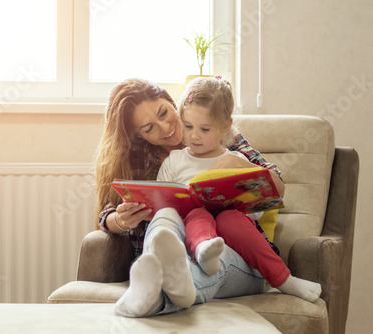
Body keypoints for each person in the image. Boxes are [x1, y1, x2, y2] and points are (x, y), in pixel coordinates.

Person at [94, 78, 312, 318]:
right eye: (149, 128)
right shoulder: (146, 160)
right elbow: (107, 214)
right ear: (139, 136)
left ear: (171, 102)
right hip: (178, 249)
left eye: (164, 113)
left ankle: (151, 296)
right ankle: (161, 270)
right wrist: (121, 220)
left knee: (214, 259)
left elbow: (274, 187)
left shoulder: (218, 131)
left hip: (230, 251)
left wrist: (241, 164)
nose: (165, 127)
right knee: (166, 215)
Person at [156, 77, 321, 302]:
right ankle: (204, 249)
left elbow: (257, 209)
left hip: (234, 236)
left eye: (205, 129)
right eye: (188, 126)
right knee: (197, 214)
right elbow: (162, 207)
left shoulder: (237, 159)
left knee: (229, 219)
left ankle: (284, 279)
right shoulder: (174, 161)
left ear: (225, 126)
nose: (194, 136)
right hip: (190, 234)